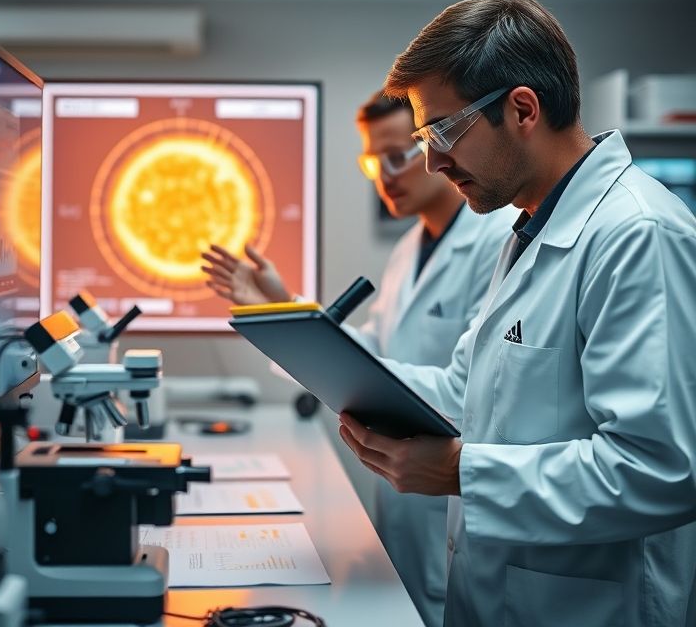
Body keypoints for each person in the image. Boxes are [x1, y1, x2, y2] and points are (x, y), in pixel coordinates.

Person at [336, 0, 696, 627]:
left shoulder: (637, 233)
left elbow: (660, 468)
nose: (433, 161)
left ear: (522, 108)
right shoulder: (529, 232)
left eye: (442, 131)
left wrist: (462, 474)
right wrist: (339, 370)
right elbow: (463, 388)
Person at [202, 91, 514, 627]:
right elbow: (376, 351)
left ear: (434, 144)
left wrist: (301, 329)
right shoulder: (409, 248)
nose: (384, 175)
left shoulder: (495, 242)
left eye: (398, 155)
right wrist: (288, 314)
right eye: (373, 161)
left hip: (458, 504)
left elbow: (467, 389)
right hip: (409, 501)